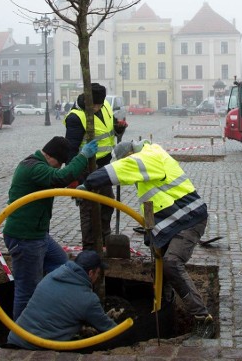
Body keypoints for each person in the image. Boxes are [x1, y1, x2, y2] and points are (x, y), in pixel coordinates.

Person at [80, 140, 214, 338]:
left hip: (188, 219)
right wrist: (152, 236)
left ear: (131, 154)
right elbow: (151, 203)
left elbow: (121, 169)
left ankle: (203, 319)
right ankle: (164, 304)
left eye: (127, 159)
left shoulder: (147, 158)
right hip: (174, 221)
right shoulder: (148, 166)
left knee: (171, 264)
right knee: (159, 265)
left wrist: (89, 182)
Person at [3, 136, 99, 320]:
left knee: (62, 265)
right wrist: (83, 157)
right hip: (25, 237)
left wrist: (76, 190)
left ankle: (52, 306)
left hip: (39, 236)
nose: (59, 167)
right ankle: (21, 334)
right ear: (49, 156)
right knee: (26, 290)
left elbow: (53, 185)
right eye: (59, 162)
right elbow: (59, 179)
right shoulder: (34, 167)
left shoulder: (39, 167)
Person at [7, 250, 117, 349]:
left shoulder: (52, 275)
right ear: (91, 273)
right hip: (35, 348)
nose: (97, 277)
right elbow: (110, 329)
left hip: (16, 337)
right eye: (97, 273)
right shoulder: (88, 300)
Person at [64, 83, 126, 250]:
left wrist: (118, 128)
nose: (97, 108)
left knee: (107, 203)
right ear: (86, 99)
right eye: (94, 105)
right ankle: (90, 247)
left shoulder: (105, 107)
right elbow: (70, 148)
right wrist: (73, 177)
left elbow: (111, 126)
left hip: (104, 166)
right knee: (89, 208)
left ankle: (104, 240)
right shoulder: (76, 117)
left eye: (100, 104)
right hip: (85, 168)